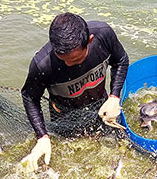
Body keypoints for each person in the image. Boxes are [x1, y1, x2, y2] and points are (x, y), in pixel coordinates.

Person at [20, 12, 129, 170]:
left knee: (115, 153)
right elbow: (30, 98)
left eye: (77, 59)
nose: (71, 64)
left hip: (100, 106)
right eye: (64, 60)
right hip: (64, 115)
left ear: (89, 41)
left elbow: (121, 60)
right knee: (71, 161)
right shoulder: (42, 65)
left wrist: (114, 97)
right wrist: (42, 136)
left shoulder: (103, 35)